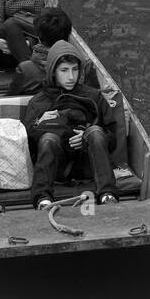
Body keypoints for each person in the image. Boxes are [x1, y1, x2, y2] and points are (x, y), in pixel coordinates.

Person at [23, 41, 118, 210]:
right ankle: (42, 198)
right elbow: (28, 147)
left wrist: (86, 139)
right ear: (53, 72)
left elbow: (112, 140)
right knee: (48, 139)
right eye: (64, 70)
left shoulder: (93, 96)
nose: (71, 77)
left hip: (88, 165)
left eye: (75, 69)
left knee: (95, 131)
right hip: (57, 169)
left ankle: (107, 194)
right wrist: (39, 123)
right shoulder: (38, 102)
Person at [9, 7, 98, 95]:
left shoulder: (26, 70)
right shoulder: (87, 66)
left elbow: (10, 102)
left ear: (38, 36)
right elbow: (96, 99)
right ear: (69, 34)